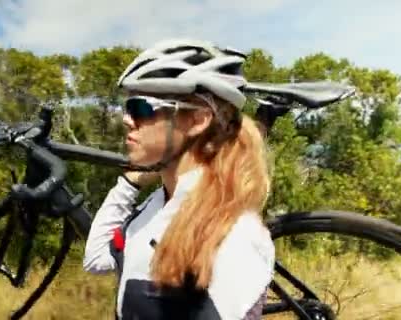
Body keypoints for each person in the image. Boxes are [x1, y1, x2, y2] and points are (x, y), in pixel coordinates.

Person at [83, 39, 275, 320]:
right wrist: (128, 184)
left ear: (198, 120)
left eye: (141, 108)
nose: (126, 119)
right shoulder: (157, 206)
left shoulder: (236, 238)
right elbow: (97, 258)